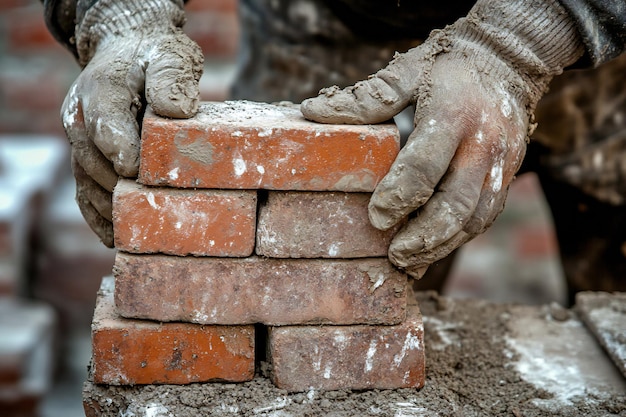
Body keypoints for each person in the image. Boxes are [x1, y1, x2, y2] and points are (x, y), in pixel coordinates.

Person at [43, 0, 626, 303]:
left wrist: (513, 45)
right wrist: (120, 15)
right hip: (325, 30)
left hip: (596, 48)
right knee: (313, 309)